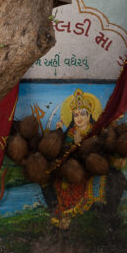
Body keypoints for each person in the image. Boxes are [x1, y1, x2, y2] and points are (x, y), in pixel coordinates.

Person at [49, 88, 106, 229]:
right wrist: (63, 134)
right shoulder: (72, 132)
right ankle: (63, 214)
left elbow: (98, 150)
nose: (79, 118)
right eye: (75, 115)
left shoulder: (94, 132)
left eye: (82, 114)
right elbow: (65, 151)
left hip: (87, 166)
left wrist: (81, 145)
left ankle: (68, 214)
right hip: (71, 167)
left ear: (89, 115)